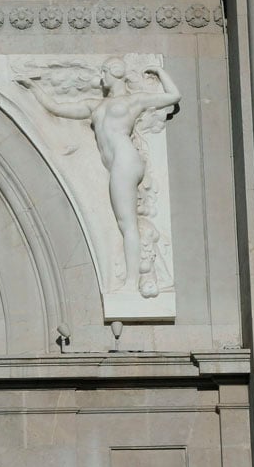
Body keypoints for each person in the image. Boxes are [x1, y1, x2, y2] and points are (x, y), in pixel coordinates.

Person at [19, 59, 181, 297]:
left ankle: (132, 283)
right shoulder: (94, 105)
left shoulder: (133, 100)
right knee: (124, 223)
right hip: (116, 163)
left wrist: (159, 71)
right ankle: (131, 279)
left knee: (127, 223)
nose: (100, 78)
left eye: (104, 72)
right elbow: (55, 107)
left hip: (125, 159)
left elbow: (173, 95)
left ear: (115, 72)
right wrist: (33, 88)